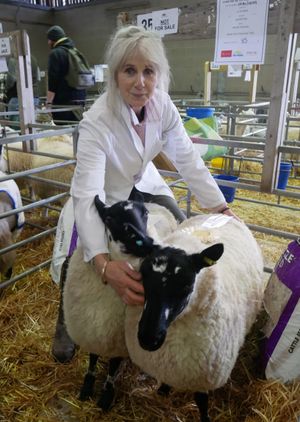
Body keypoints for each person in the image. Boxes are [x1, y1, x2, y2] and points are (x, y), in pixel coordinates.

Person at [52, 25, 239, 362]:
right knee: (78, 253)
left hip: (144, 183)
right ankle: (66, 320)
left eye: (148, 71)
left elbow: (187, 158)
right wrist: (103, 264)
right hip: (106, 194)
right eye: (129, 71)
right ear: (115, 75)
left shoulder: (162, 105)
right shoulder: (96, 121)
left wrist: (219, 207)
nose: (140, 82)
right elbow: (88, 192)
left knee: (180, 239)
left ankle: (170, 313)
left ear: (159, 74)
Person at [46, 25, 86, 124]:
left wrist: (49, 103)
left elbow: (53, 81)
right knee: (76, 133)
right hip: (79, 103)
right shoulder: (75, 51)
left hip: (63, 105)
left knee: (64, 135)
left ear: (52, 40)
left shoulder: (56, 53)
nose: (48, 42)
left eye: (49, 40)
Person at [5, 55, 40, 127]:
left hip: (17, 97)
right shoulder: (33, 58)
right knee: (31, 126)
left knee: (17, 129)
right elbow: (38, 78)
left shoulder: (13, 60)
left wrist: (6, 89)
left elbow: (11, 80)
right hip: (34, 96)